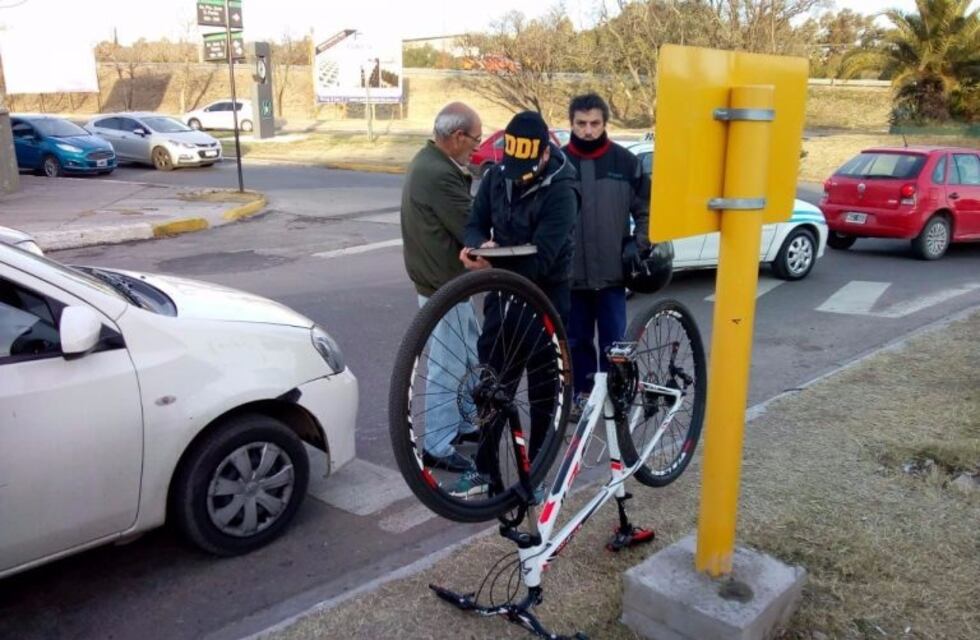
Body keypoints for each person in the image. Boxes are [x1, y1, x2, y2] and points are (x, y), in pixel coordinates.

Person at [458, 110, 579, 497]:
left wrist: (495, 260)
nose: (518, 175)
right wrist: (478, 244)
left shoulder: (563, 189)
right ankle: (485, 470)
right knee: (491, 382)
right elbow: (474, 222)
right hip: (502, 293)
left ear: (545, 155)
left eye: (526, 168)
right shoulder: (497, 176)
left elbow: (543, 257)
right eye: (513, 167)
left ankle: (538, 473)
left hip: (546, 295)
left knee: (544, 389)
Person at [400, 102, 484, 473]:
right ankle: (435, 443)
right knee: (449, 366)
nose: (476, 149)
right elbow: (472, 227)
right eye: (475, 140)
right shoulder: (439, 174)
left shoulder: (430, 162)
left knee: (468, 356)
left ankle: (465, 423)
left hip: (444, 282)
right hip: (443, 285)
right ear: (456, 137)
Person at [562, 93, 650, 420]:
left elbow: (647, 210)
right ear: (571, 123)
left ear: (604, 124)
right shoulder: (557, 163)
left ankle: (617, 396)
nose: (587, 130)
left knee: (615, 345)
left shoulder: (626, 163)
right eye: (581, 123)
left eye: (594, 123)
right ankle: (583, 397)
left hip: (613, 277)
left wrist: (639, 245)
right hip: (571, 278)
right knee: (577, 342)